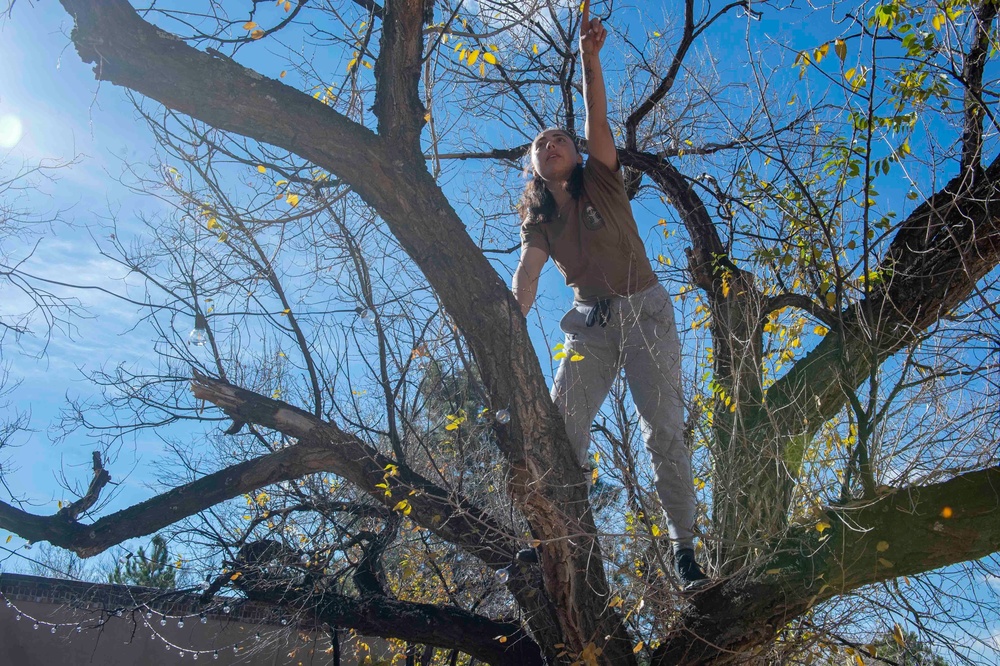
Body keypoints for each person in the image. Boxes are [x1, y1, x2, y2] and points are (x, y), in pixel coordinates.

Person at [511, 0, 708, 589]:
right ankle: (557, 541)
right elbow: (528, 272)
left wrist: (588, 59)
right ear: (534, 166)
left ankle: (685, 548)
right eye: (540, 146)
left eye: (558, 141)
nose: (550, 146)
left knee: (661, 431)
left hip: (645, 311)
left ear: (574, 153)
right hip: (590, 325)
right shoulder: (540, 218)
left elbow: (598, 117)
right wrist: (510, 322)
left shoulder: (601, 176)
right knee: (560, 425)